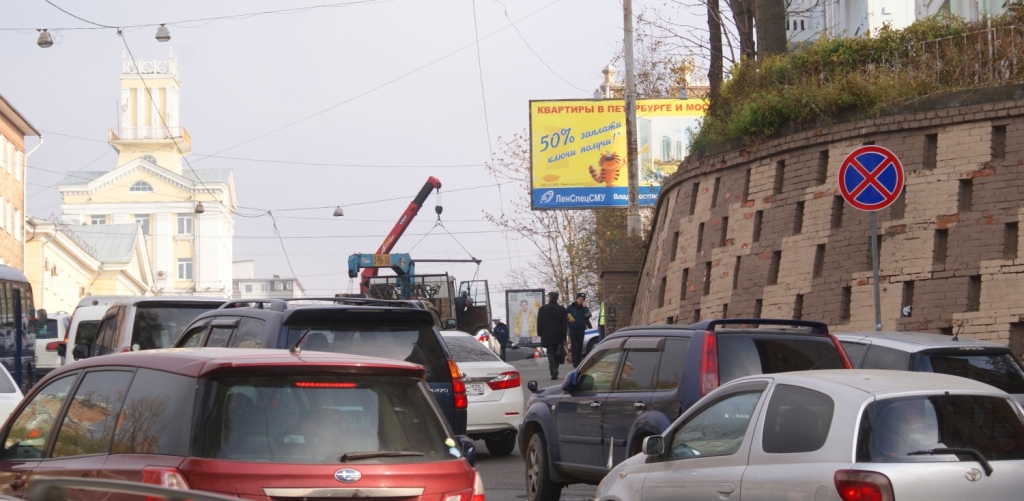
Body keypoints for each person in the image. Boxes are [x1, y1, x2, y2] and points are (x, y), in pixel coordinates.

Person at [536, 291, 568, 380]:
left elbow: (539, 323)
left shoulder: (542, 309)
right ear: (557, 298)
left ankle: (553, 370)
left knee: (550, 352)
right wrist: (564, 337)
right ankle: (555, 369)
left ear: (549, 298)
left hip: (547, 335)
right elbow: (564, 325)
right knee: (558, 352)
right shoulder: (562, 309)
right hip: (558, 335)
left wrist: (539, 333)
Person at [566, 292, 592, 369]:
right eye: (579, 299)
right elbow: (565, 316)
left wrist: (584, 308)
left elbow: (588, 316)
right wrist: (568, 320)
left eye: (582, 299)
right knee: (574, 345)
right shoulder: (571, 307)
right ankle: (575, 361)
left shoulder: (585, 308)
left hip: (581, 329)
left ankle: (579, 360)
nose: (580, 300)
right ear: (577, 299)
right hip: (573, 328)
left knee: (580, 345)